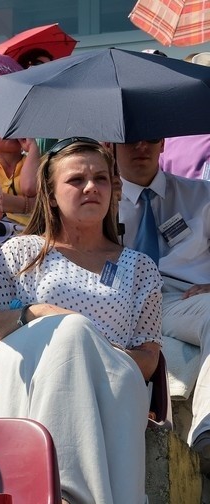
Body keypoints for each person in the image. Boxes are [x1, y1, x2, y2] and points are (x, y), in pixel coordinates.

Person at [0, 138, 162, 504]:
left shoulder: (141, 268)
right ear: (51, 195)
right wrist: (36, 313)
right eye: (76, 180)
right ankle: (61, 491)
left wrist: (91, 353)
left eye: (101, 179)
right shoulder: (20, 251)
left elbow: (148, 358)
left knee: (81, 339)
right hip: (21, 372)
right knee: (70, 330)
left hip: (110, 381)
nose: (91, 187)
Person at [115, 138, 210, 468]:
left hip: (184, 299)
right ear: (110, 143)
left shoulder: (201, 195)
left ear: (164, 143)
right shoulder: (99, 200)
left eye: (151, 137)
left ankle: (207, 430)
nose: (141, 146)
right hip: (127, 306)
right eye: (128, 139)